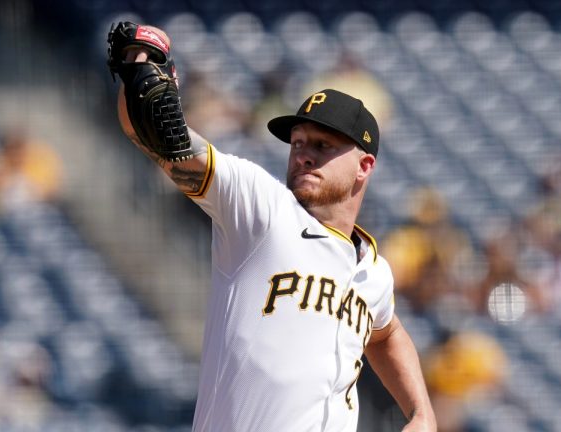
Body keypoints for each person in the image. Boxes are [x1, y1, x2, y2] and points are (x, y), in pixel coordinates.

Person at [107, 22, 436, 431]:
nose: (303, 155)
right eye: (297, 143)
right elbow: (158, 138)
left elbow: (387, 334)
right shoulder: (262, 208)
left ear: (364, 166)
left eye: (322, 145)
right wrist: (139, 62)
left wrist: (422, 411)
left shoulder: (374, 272)